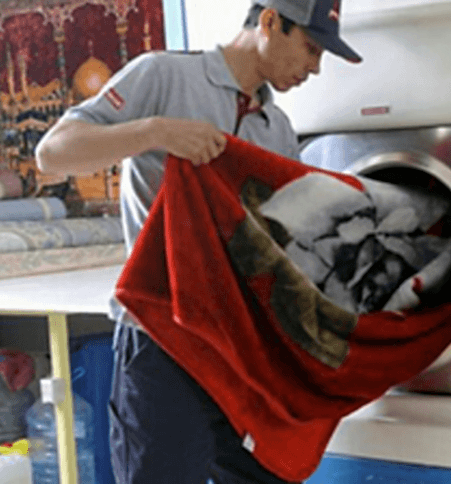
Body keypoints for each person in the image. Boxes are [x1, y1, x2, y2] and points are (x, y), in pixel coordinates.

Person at [34, 1, 361, 482]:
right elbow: (52, 154)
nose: (315, 68)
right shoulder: (163, 76)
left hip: (240, 353)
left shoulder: (278, 131)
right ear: (270, 21)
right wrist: (156, 131)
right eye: (311, 48)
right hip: (164, 342)